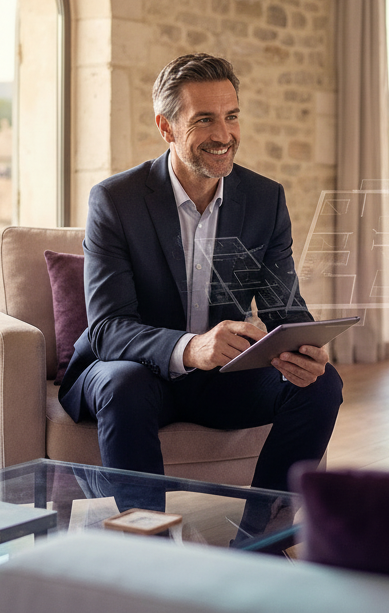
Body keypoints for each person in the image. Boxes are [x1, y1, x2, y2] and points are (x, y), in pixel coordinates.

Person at [58, 53, 343, 504]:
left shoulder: (265, 199)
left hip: (221, 379)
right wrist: (190, 348)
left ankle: (260, 542)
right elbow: (108, 329)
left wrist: (304, 347)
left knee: (322, 384)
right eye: (204, 120)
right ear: (166, 127)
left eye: (231, 117)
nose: (224, 135)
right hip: (134, 372)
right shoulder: (115, 200)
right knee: (123, 384)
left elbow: (282, 306)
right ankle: (149, 551)